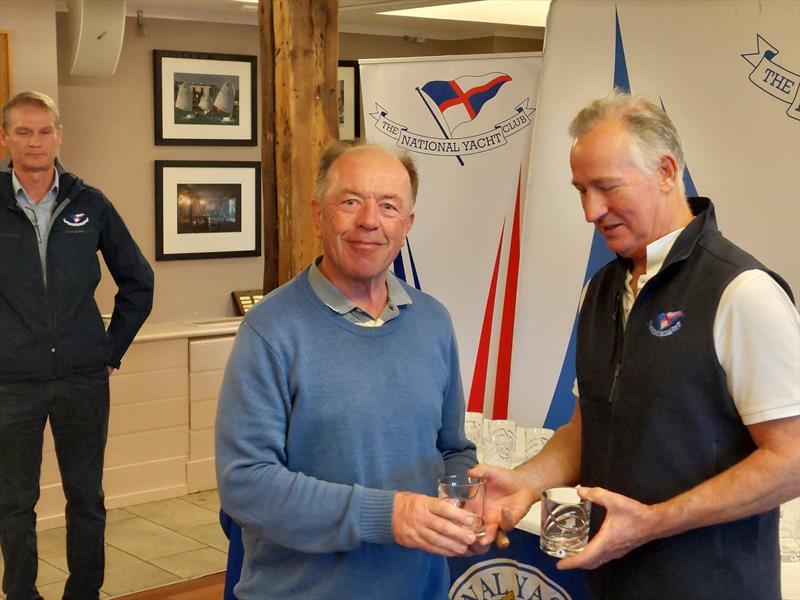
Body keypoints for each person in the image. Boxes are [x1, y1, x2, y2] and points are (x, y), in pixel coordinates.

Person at [471, 91, 800, 599]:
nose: (590, 210)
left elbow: (792, 459)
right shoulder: (599, 290)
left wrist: (654, 521)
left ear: (667, 171)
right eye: (581, 190)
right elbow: (586, 429)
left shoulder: (742, 291)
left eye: (606, 187)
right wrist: (528, 480)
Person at [215, 142, 479, 599]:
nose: (370, 221)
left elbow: (453, 449)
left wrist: (465, 497)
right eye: (351, 201)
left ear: (407, 225)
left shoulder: (434, 321)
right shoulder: (270, 330)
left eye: (389, 206)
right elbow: (246, 483)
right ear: (318, 216)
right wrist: (387, 515)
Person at [0, 91, 154, 600]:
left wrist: (110, 350)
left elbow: (138, 282)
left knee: (86, 498)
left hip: (82, 380)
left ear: (59, 135)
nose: (35, 141)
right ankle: (21, 593)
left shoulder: (90, 203)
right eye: (23, 131)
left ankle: (83, 592)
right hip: (11, 383)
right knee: (13, 502)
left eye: (45, 131)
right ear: (5, 138)